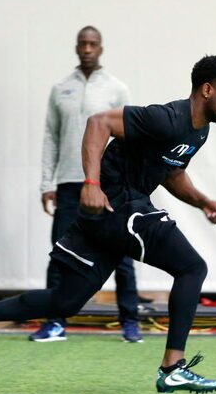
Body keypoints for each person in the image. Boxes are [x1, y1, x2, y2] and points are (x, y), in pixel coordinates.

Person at [0, 55, 216, 394]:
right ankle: (172, 367)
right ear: (207, 89)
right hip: (118, 205)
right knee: (192, 268)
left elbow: (171, 172)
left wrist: (203, 202)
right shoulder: (166, 118)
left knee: (65, 302)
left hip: (114, 214)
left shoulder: (199, 133)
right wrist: (91, 184)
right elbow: (98, 123)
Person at [34, 25, 142, 343]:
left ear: (101, 48)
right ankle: (54, 322)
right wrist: (46, 183)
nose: (87, 48)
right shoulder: (60, 89)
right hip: (69, 183)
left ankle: (130, 322)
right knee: (60, 254)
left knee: (121, 254)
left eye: (93, 44)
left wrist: (128, 185)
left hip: (108, 185)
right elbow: (50, 137)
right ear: (76, 47)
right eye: (83, 43)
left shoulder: (117, 89)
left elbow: (130, 140)